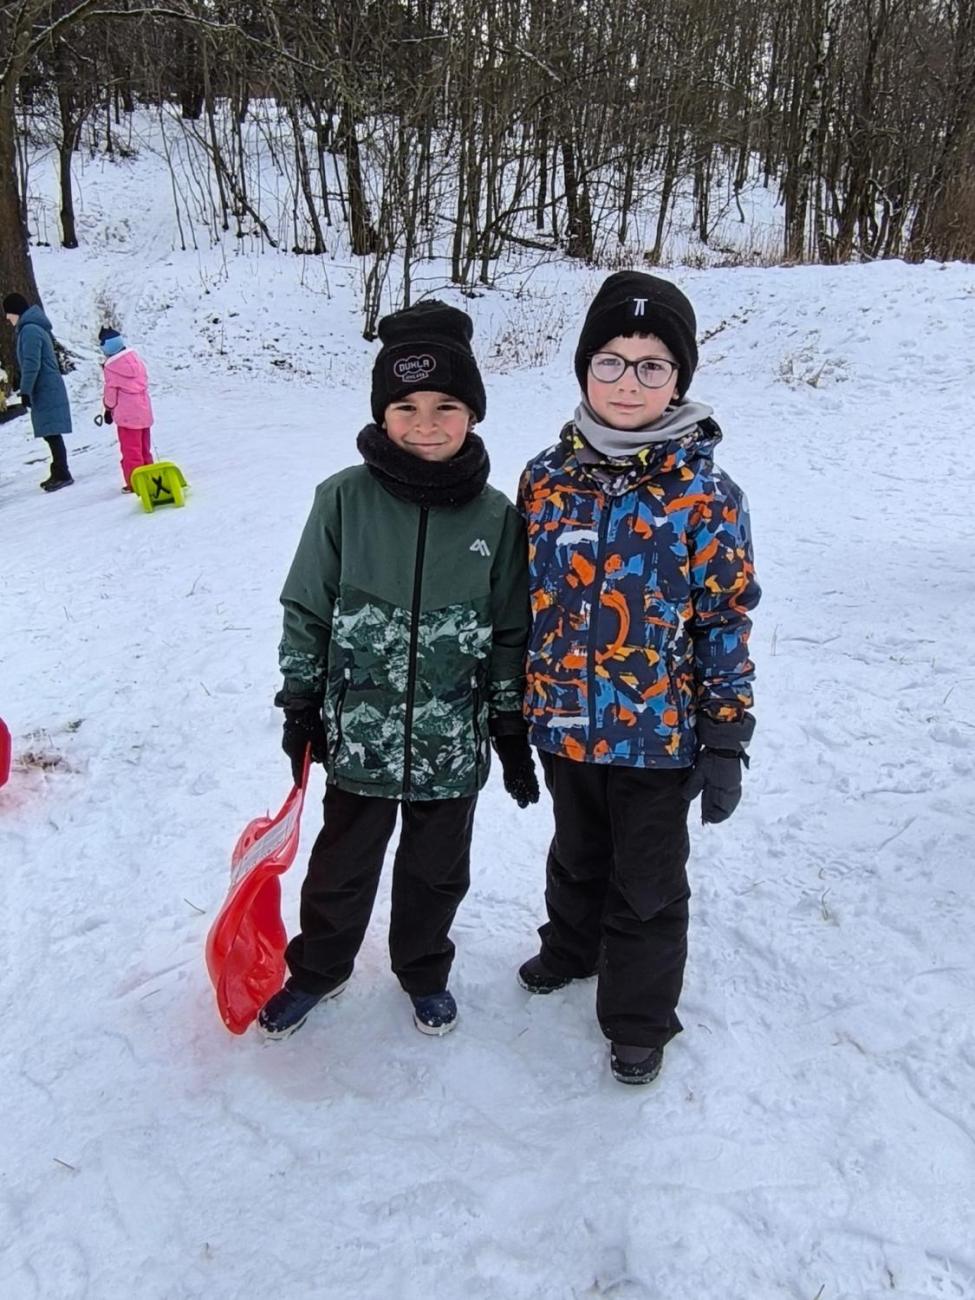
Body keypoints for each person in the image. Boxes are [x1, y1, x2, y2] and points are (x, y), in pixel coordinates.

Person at [258, 300, 538, 1041]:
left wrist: (507, 724)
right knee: (340, 869)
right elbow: (306, 606)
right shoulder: (342, 500)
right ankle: (319, 968)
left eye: (446, 406)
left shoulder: (496, 518)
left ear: (472, 414)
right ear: (383, 414)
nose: (426, 424)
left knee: (436, 872)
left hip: (453, 742)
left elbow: (511, 629)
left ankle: (422, 970)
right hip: (361, 738)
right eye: (406, 406)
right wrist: (300, 700)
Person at [515, 271, 761, 1085]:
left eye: (652, 366)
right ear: (585, 371)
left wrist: (725, 735)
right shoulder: (544, 480)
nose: (629, 382)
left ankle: (638, 1017)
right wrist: (514, 709)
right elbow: (522, 600)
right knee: (575, 853)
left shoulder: (707, 496)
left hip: (658, 733)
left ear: (679, 379)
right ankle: (570, 950)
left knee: (647, 881)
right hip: (562, 721)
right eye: (611, 362)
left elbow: (722, 619)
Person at [3, 292, 73, 491]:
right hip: (46, 386)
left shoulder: (30, 331)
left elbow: (31, 364)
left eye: (8, 313)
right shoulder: (31, 328)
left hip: (45, 387)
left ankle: (62, 472)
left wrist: (25, 390)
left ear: (16, 311)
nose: (7, 318)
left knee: (51, 431)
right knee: (50, 431)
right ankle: (59, 470)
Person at [99, 327, 154, 492]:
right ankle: (151, 476)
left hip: (127, 417)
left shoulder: (111, 368)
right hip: (144, 412)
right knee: (144, 448)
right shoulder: (136, 360)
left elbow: (111, 394)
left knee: (131, 451)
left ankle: (135, 483)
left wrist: (108, 409)